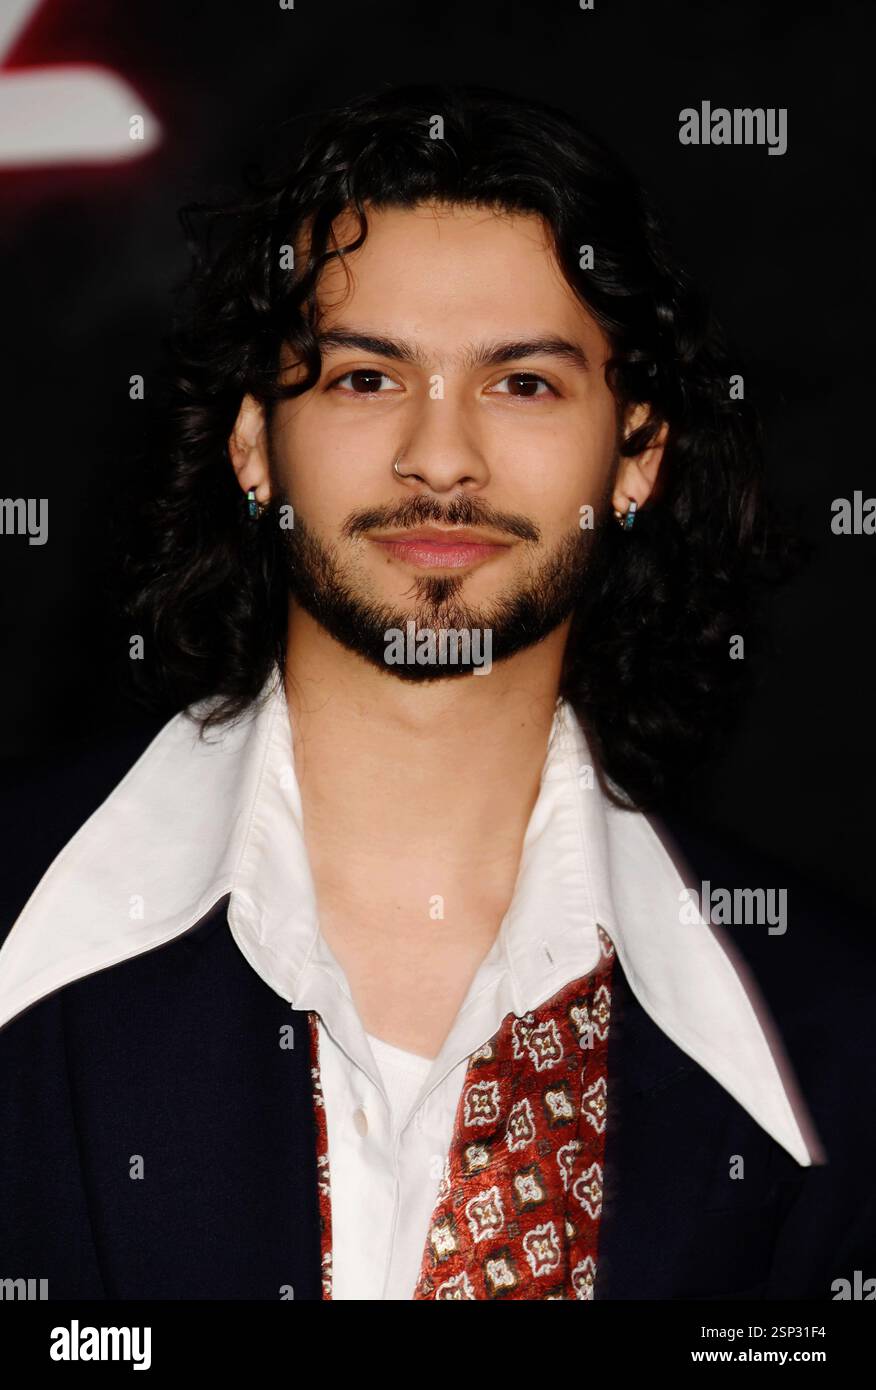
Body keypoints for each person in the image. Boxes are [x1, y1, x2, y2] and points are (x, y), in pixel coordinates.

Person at [1, 82, 873, 1301]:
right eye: (365, 379)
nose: (441, 456)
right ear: (254, 443)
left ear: (636, 457)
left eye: (522, 383)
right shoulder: (19, 926)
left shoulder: (831, 1043)